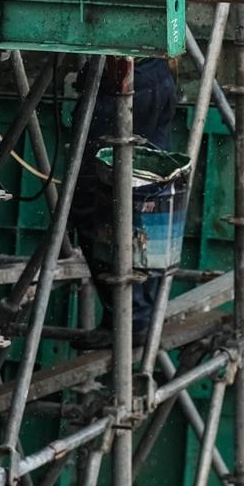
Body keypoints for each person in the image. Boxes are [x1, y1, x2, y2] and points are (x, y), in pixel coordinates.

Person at [71, 55, 179, 337]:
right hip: (155, 74)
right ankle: (142, 311)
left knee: (94, 202)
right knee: (149, 195)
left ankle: (129, 315)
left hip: (120, 81)